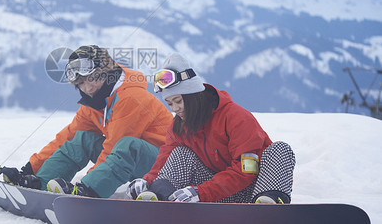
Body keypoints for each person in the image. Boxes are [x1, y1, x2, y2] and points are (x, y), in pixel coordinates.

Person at [0, 45, 174, 198]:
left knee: (127, 144)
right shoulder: (96, 101)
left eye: (93, 78)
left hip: (165, 165)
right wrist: (29, 170)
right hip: (132, 161)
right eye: (80, 83)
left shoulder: (131, 97)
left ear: (106, 73)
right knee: (82, 138)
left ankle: (89, 192)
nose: (87, 88)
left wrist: (86, 187)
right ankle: (41, 184)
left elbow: (116, 146)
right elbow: (66, 137)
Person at [127, 53, 296, 204]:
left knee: (280, 149)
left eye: (178, 101)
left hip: (254, 190)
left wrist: (203, 192)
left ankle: (269, 203)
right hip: (216, 193)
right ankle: (160, 199)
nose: (175, 109)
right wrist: (147, 181)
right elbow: (165, 158)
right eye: (170, 103)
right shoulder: (179, 127)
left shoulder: (236, 117)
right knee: (180, 154)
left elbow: (247, 170)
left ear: (193, 96)